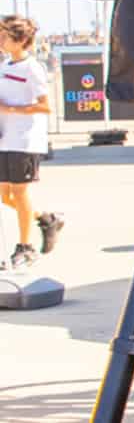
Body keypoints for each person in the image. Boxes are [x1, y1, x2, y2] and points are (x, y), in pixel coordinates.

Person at [0, 15, 66, 269]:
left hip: (25, 139)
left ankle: (25, 247)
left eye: (5, 36)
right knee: (6, 196)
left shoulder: (32, 68)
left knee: (19, 192)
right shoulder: (5, 66)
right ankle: (47, 219)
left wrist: (10, 110)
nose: (1, 40)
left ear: (21, 40)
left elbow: (45, 106)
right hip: (5, 139)